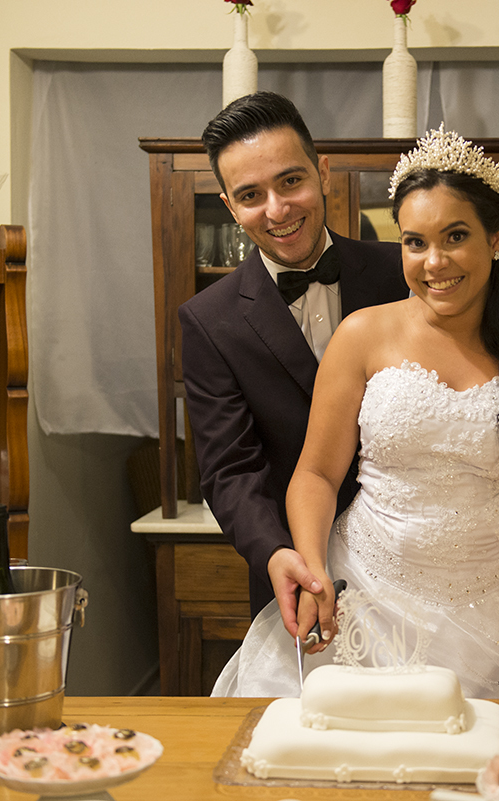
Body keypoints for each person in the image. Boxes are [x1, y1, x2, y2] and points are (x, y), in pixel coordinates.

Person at [213, 127, 499, 720]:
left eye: (455, 236)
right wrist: (314, 572)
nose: (434, 262)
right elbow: (316, 474)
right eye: (415, 242)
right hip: (367, 600)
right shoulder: (362, 334)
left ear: (495, 239)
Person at [178, 92, 409, 628]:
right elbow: (230, 470)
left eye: (290, 181)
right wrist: (276, 552)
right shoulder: (208, 321)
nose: (277, 210)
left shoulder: (404, 273)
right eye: (251, 195)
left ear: (322, 172)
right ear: (230, 207)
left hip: (422, 567)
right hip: (300, 578)